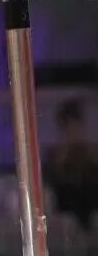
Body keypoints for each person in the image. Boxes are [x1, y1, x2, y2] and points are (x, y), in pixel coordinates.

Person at [45, 98, 98, 229]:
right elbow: (53, 183)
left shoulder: (91, 152)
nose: (73, 132)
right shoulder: (56, 156)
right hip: (67, 212)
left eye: (76, 127)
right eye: (69, 128)